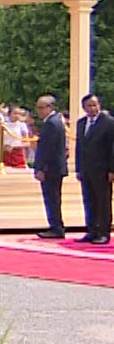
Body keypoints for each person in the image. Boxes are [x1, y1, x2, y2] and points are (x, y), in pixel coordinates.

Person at [76, 94, 114, 245]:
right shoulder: (81, 123)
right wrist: (79, 168)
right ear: (84, 108)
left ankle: (104, 232)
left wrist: (112, 169)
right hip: (86, 170)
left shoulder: (109, 123)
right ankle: (92, 230)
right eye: (89, 106)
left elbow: (112, 148)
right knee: (89, 200)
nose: (93, 108)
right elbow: (80, 147)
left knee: (103, 201)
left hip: (102, 170)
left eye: (95, 105)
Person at [33, 95, 68, 238]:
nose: (40, 111)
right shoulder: (52, 122)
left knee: (52, 198)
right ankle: (55, 226)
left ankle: (56, 228)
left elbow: (49, 150)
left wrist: (42, 168)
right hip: (53, 168)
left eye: (42, 108)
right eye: (38, 108)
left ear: (51, 107)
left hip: (51, 169)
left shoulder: (52, 123)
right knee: (52, 198)